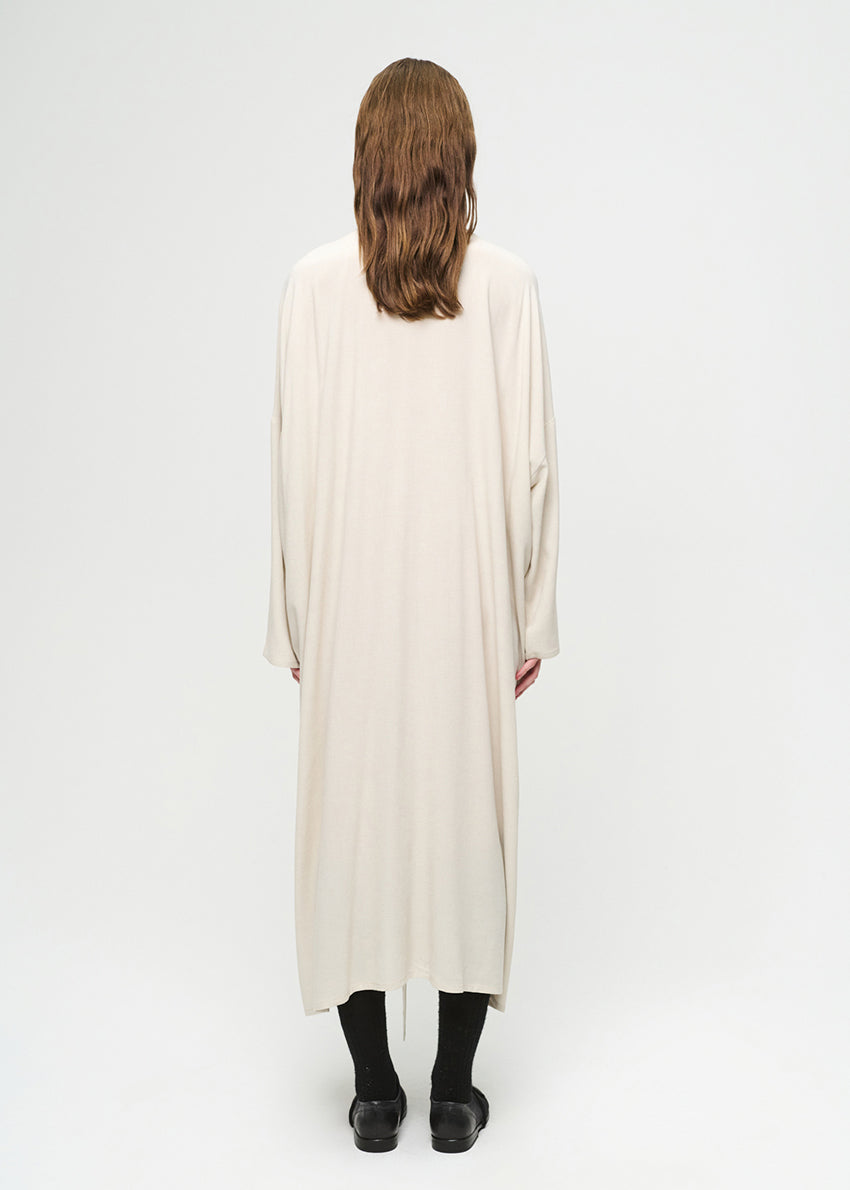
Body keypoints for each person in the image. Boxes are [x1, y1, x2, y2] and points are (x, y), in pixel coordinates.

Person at [263, 57, 560, 1153]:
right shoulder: (508, 285)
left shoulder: (311, 285)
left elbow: (291, 462)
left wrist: (296, 618)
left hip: (349, 600)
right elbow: (534, 467)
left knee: (353, 829)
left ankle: (373, 1093)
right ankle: (453, 1093)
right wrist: (529, 615)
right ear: (457, 157)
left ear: (366, 159)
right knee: (464, 827)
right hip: (467, 602)